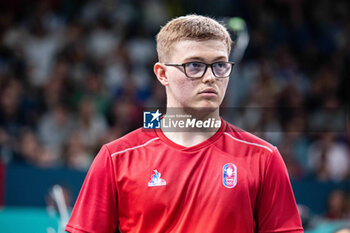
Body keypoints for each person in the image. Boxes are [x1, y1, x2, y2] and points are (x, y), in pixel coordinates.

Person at [66, 15, 303, 233]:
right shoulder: (116, 157)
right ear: (162, 74)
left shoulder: (264, 158)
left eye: (220, 65)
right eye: (194, 65)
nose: (210, 76)